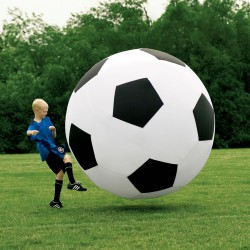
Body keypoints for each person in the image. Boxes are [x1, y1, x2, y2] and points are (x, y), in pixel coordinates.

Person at [27, 98, 87, 209]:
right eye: (44, 111)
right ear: (36, 110)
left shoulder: (47, 120)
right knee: (67, 157)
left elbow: (53, 136)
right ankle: (72, 182)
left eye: (46, 111)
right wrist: (32, 132)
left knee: (60, 173)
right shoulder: (33, 123)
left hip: (52, 147)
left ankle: (55, 201)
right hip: (47, 150)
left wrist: (53, 130)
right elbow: (28, 132)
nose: (46, 113)